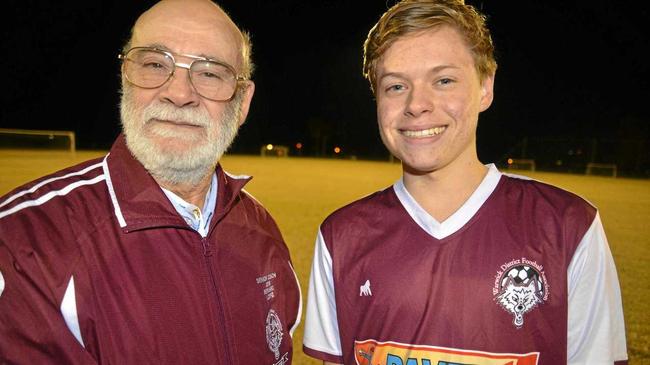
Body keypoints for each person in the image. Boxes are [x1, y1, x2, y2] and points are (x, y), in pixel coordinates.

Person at [302, 1, 628, 364]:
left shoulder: (568, 226)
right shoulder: (341, 236)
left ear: (485, 87)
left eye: (443, 80)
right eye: (396, 86)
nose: (417, 104)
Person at [0, 0, 301, 363]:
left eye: (209, 73)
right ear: (126, 77)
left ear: (243, 102)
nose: (179, 93)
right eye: (156, 64)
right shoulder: (23, 243)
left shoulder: (262, 231)